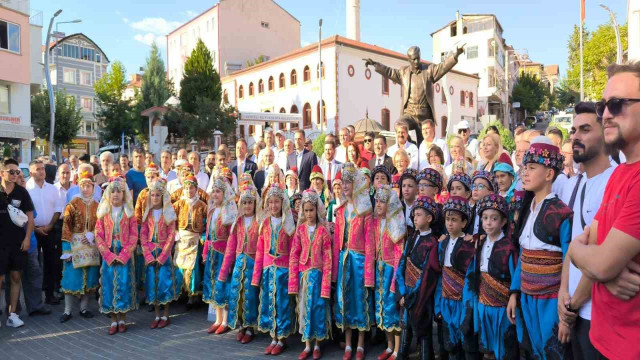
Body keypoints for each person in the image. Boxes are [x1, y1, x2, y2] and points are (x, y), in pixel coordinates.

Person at [567, 63, 640, 360]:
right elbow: (595, 254)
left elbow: (599, 261)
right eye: (603, 106)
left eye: (617, 104)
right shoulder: (620, 174)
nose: (606, 114)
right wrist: (599, 265)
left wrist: (584, 255)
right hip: (601, 337)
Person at [506, 137, 572, 360]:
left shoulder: (561, 214)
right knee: (532, 352)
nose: (525, 172)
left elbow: (570, 261)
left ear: (549, 174)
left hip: (550, 302)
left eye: (532, 168)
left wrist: (564, 315)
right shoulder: (529, 210)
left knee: (552, 352)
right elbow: (524, 256)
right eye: (524, 167)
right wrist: (515, 292)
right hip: (527, 299)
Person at [557, 101, 614, 359]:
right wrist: (562, 293)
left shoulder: (613, 182)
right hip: (576, 310)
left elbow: (601, 254)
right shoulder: (578, 184)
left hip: (598, 315)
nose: (575, 137)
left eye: (585, 129)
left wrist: (571, 308)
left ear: (604, 133)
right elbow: (572, 245)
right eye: (573, 130)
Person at [332, 163, 375, 360]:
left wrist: (368, 272)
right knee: (344, 301)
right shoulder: (340, 210)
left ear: (356, 183)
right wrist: (334, 270)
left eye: (349, 181)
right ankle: (348, 344)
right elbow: (336, 242)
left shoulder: (365, 209)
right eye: (343, 182)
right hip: (343, 260)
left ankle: (360, 345)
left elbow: (369, 243)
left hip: (359, 261)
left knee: (360, 301)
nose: (346, 185)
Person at [251, 184, 296, 356]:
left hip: (283, 272)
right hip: (268, 270)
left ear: (282, 203)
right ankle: (273, 337)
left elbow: (293, 252)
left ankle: (282, 338)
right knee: (270, 303)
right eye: (270, 202)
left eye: (276, 202)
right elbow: (260, 250)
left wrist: (292, 275)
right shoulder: (265, 224)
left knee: (282, 304)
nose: (273, 206)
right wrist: (257, 276)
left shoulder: (289, 225)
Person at [472, 194, 518, 360]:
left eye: (494, 218)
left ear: (503, 221)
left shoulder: (508, 247)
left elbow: (515, 276)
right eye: (485, 218)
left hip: (502, 308)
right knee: (487, 349)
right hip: (484, 306)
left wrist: (513, 297)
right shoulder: (481, 243)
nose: (488, 223)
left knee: (504, 348)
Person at [395, 196, 441, 360]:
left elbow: (428, 273)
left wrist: (414, 294)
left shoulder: (433, 243)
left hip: (421, 296)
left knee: (423, 332)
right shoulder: (412, 238)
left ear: (429, 218)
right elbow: (402, 264)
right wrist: (402, 292)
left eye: (419, 214)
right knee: (405, 330)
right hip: (406, 294)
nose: (415, 218)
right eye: (414, 215)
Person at [289, 189, 333, 360]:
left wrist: (326, 282)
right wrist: (293, 281)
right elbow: (294, 254)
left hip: (319, 277)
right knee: (304, 309)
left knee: (318, 309)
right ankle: (307, 344)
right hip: (304, 278)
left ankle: (317, 344)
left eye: (311, 210)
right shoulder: (300, 230)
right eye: (305, 210)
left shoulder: (323, 231)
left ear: (317, 210)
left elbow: (327, 257)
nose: (308, 214)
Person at [218, 180, 262, 344]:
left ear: (255, 203)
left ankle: (250, 327)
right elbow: (230, 247)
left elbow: (261, 247)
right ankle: (242, 325)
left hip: (252, 265)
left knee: (250, 296)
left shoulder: (259, 222)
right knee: (237, 295)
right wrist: (225, 270)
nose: (247, 205)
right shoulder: (238, 222)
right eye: (244, 202)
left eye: (250, 202)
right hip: (238, 264)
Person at [95, 175, 139, 335]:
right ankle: (113, 320)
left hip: (124, 254)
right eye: (112, 191)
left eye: (119, 191)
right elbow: (98, 235)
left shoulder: (129, 213)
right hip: (109, 254)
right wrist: (107, 254)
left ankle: (122, 319)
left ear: (124, 194)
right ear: (108, 193)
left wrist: (125, 253)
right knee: (109, 285)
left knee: (124, 284)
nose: (115, 194)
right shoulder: (103, 214)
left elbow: (134, 235)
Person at [435, 196, 477, 359]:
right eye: (447, 219)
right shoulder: (442, 243)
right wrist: (438, 304)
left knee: (466, 342)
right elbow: (440, 274)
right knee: (450, 343)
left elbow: (471, 278)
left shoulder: (469, 244)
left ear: (464, 223)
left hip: (462, 301)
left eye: (454, 220)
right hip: (446, 300)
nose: (450, 223)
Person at [138, 178, 181, 329]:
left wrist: (163, 255)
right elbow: (143, 234)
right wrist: (148, 254)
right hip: (151, 252)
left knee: (164, 283)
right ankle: (156, 315)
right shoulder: (147, 213)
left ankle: (165, 315)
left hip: (163, 253)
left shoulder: (168, 213)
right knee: (152, 284)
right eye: (153, 195)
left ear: (163, 196)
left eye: (158, 195)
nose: (155, 198)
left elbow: (171, 235)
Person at [59, 171, 100, 323]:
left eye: (88, 185)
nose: (85, 189)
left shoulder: (98, 206)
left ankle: (84, 308)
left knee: (89, 278)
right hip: (74, 246)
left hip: (91, 247)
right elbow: (66, 228)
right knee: (71, 278)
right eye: (82, 185)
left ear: (93, 187)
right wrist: (67, 249)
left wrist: (94, 235)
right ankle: (67, 310)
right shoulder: (72, 204)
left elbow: (102, 226)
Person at [371, 185, 405, 360]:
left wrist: (396, 280)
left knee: (393, 309)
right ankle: (389, 346)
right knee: (382, 308)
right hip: (379, 270)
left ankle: (398, 349)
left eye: (382, 202)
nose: (378, 204)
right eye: (376, 201)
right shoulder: (376, 222)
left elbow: (399, 254)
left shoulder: (396, 225)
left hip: (391, 271)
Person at [1, 159, 36, 328]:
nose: (15, 175)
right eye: (11, 172)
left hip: (18, 243)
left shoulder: (22, 192)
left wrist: (27, 238)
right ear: (2, 173)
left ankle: (12, 314)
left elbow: (30, 219)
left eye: (17, 172)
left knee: (16, 277)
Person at [203, 173, 238, 335]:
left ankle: (226, 320)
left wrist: (231, 260)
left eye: (218, 191)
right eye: (214, 191)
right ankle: (217, 319)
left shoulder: (229, 212)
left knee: (224, 285)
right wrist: (205, 252)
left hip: (224, 254)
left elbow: (233, 237)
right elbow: (208, 235)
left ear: (225, 193)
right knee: (214, 286)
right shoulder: (211, 211)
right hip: (212, 254)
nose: (215, 194)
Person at [26, 160, 63, 305]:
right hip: (32, 231)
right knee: (33, 266)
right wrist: (35, 228)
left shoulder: (52, 189)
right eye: (38, 169)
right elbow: (24, 213)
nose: (41, 171)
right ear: (31, 172)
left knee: (50, 263)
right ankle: (35, 301)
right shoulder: (26, 189)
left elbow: (58, 209)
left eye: (43, 169)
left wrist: (50, 225)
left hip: (50, 230)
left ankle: (49, 295)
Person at [172, 174, 208, 307]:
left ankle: (193, 296)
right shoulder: (178, 204)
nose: (189, 191)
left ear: (196, 189)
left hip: (194, 239)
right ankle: (182, 293)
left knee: (193, 268)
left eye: (191, 188)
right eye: (186, 188)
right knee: (180, 266)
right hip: (182, 239)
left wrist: (202, 235)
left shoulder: (202, 205)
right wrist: (175, 232)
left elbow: (208, 223)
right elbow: (171, 220)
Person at [468, 171, 496, 236]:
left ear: (491, 192)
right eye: (474, 186)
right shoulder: (470, 210)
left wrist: (475, 238)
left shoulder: (494, 212)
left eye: (480, 186)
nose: (475, 189)